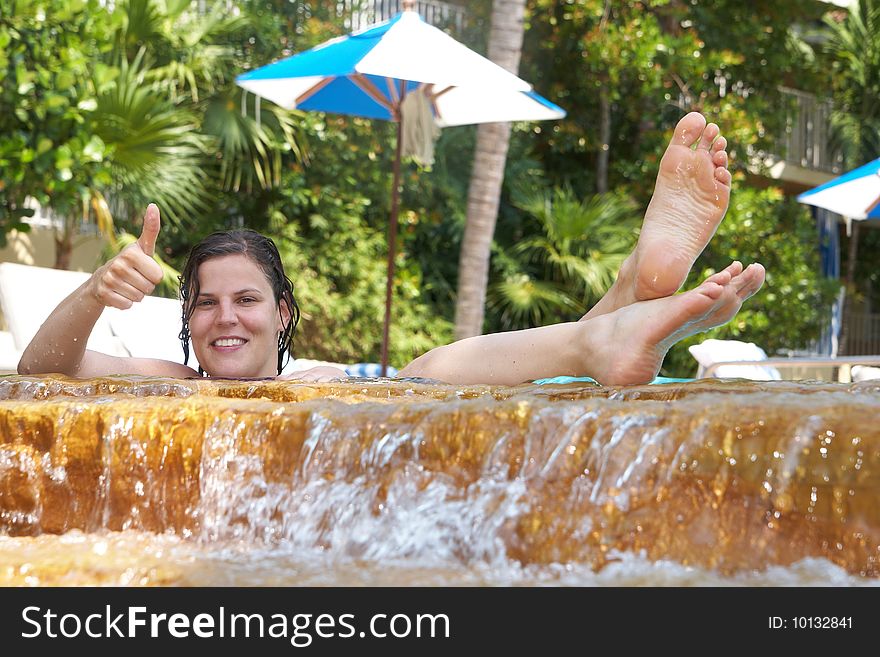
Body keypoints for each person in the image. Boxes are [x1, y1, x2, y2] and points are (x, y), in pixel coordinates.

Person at [17, 112, 765, 386]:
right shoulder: (169, 378)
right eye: (205, 302)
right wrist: (92, 293)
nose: (225, 318)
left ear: (282, 313)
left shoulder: (317, 375)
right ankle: (620, 310)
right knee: (424, 375)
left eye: (245, 298)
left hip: (360, 395)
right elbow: (41, 369)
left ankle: (626, 301)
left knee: (422, 376)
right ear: (186, 317)